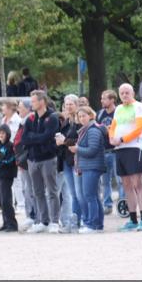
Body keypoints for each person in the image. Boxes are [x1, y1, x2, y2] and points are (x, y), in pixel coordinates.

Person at [109, 83, 142, 231]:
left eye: (127, 92)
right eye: (122, 93)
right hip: (120, 149)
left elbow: (139, 128)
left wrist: (122, 139)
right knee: (126, 185)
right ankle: (132, 219)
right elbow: (113, 126)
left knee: (137, 183)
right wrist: (111, 138)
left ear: (133, 93)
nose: (124, 95)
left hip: (133, 148)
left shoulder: (139, 107)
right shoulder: (119, 109)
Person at [21, 90, 60, 233]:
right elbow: (24, 139)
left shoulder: (53, 118)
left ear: (42, 101)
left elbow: (47, 137)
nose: (31, 104)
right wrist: (37, 138)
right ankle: (43, 220)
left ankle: (55, 221)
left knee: (52, 190)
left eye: (34, 101)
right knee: (37, 191)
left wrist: (34, 138)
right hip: (33, 160)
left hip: (48, 158)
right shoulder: (30, 119)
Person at [71, 106, 106, 233]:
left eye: (84, 116)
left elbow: (92, 150)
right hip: (88, 166)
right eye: (79, 116)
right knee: (93, 196)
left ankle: (92, 224)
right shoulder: (85, 130)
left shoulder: (92, 130)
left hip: (92, 166)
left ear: (91, 115)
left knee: (89, 196)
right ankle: (98, 224)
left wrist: (77, 149)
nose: (81, 118)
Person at [55, 94, 80, 232]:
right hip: (65, 159)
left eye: (71, 104)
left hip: (76, 160)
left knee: (77, 193)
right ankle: (73, 222)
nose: (68, 106)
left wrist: (64, 141)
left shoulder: (79, 121)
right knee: (71, 193)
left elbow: (78, 139)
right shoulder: (66, 122)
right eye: (66, 104)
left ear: (76, 105)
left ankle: (78, 222)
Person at [0, 124, 18, 232]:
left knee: (6, 200)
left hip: (6, 175)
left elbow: (10, 161)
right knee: (0, 200)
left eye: (3, 133)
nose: (1, 135)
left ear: (7, 134)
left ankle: (12, 224)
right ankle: (6, 222)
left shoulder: (10, 146)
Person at [97, 90, 119, 215]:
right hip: (104, 150)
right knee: (105, 181)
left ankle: (123, 204)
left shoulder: (118, 112)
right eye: (102, 98)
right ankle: (107, 205)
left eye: (104, 98)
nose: (102, 101)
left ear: (112, 100)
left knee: (120, 179)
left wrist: (109, 129)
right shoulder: (100, 113)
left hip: (115, 151)